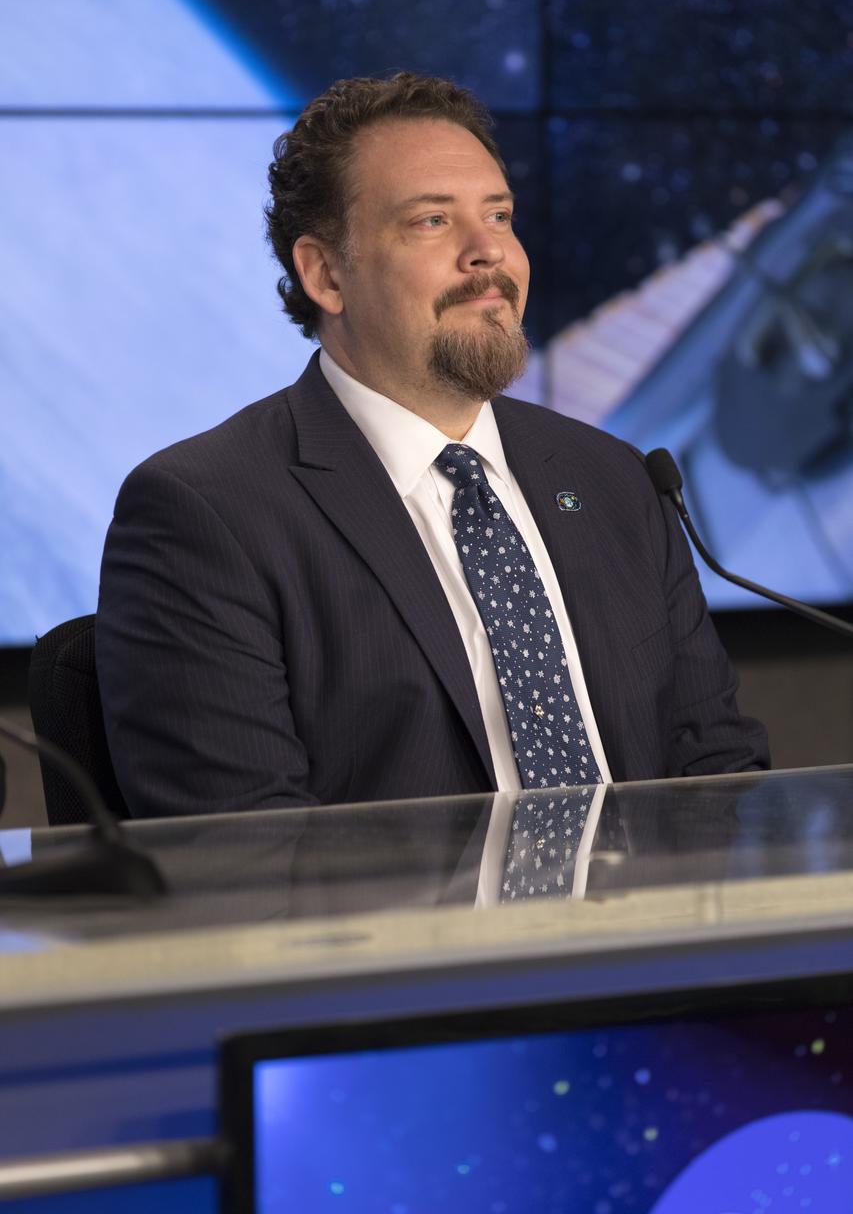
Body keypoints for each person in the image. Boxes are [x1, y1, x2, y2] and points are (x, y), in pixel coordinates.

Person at [96, 72, 769, 818]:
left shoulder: (613, 478)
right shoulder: (207, 511)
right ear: (325, 274)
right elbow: (239, 847)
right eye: (431, 222)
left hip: (647, 924)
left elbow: (717, 768)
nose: (489, 254)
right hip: (398, 934)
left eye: (500, 216)